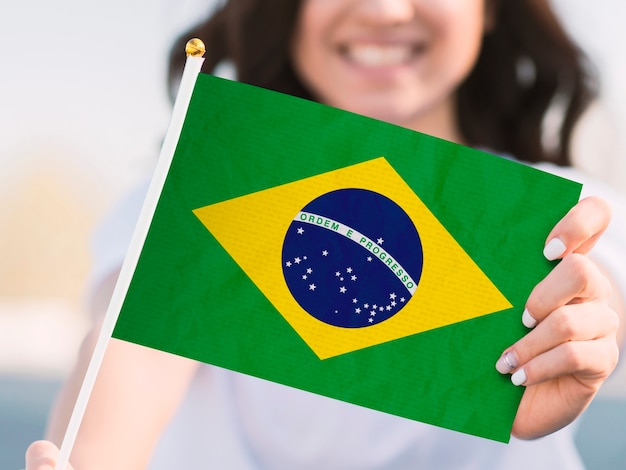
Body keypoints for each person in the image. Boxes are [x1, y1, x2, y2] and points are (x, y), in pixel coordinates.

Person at [26, 0, 626, 469]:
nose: (386, 11)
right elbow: (132, 354)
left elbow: (605, 301)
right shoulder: (204, 186)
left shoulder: (573, 215)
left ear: (492, 7)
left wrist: (584, 329)